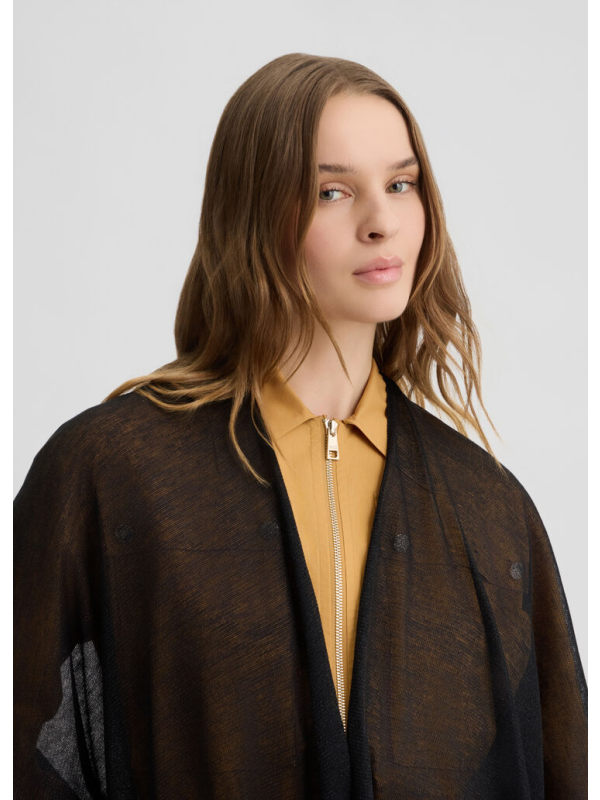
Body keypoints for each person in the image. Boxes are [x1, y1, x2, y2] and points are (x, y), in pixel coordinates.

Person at [13, 53, 588, 799]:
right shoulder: (113, 473)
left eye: (401, 184)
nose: (382, 222)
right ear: (253, 212)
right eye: (332, 192)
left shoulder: (489, 510)